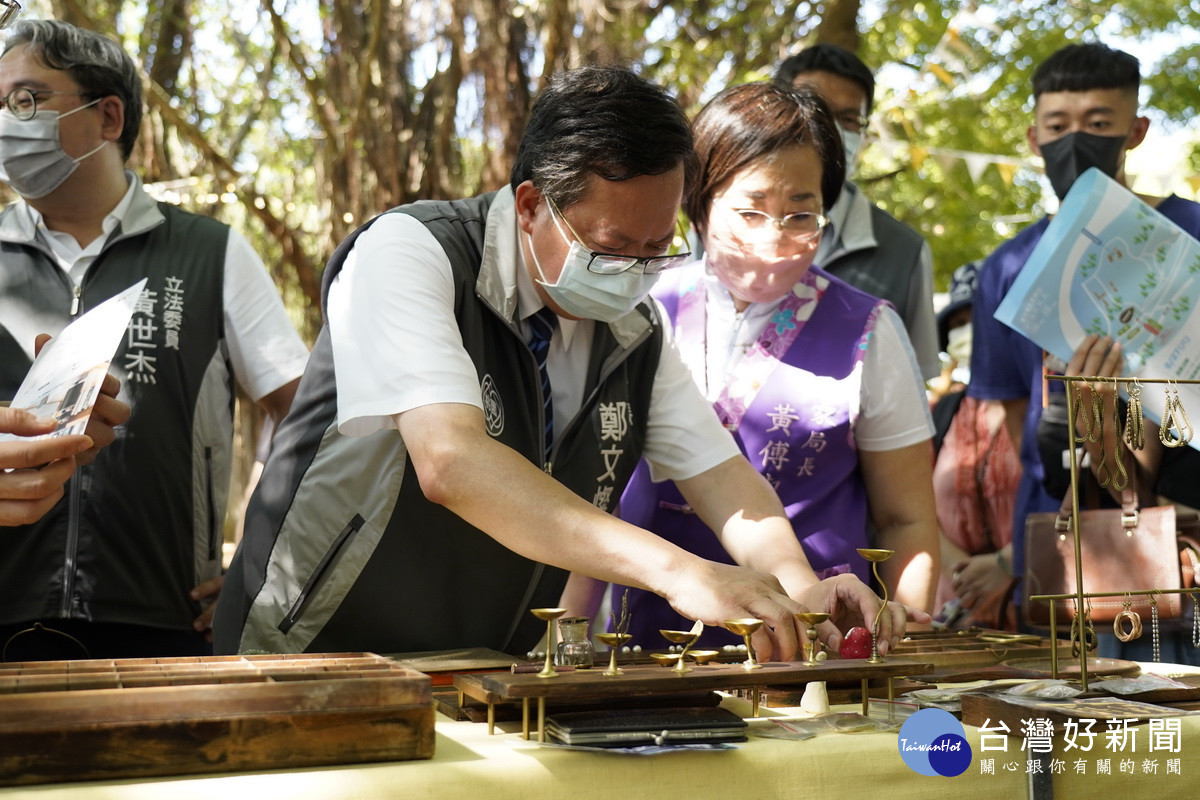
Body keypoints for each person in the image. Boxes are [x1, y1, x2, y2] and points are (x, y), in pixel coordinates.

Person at [216, 66, 926, 662]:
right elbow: (452, 461)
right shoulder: (411, 253)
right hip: (312, 648)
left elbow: (724, 480)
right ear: (531, 205)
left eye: (658, 249)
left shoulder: (631, 330)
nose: (638, 274)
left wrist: (798, 589)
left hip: (481, 665)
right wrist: (677, 570)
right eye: (616, 248)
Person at [583, 81, 937, 648]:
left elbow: (908, 519)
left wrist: (903, 635)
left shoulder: (867, 329)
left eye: (802, 214)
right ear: (699, 203)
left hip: (812, 640)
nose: (775, 237)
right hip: (647, 635)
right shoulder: (638, 310)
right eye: (750, 211)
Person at [0, 20, 308, 659]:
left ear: (107, 117)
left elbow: (305, 411)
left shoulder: (210, 251)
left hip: (167, 621)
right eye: (0, 105)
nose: (7, 122)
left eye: (26, 100)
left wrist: (262, 559)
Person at [968, 42, 1200, 629]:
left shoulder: (1190, 236)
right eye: (1058, 125)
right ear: (1033, 138)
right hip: (1064, 548)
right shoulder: (1006, 268)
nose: (1076, 140)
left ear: (1136, 130)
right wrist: (1087, 426)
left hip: (1186, 537)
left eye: (1099, 123)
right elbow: (1020, 426)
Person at [775, 44, 940, 381]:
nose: (831, 130)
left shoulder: (906, 253)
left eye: (849, 119)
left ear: (864, 133)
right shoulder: (724, 223)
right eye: (814, 110)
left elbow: (915, 380)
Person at [929, 262, 1020, 630]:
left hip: (1035, 616)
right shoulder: (944, 412)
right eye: (956, 324)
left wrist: (1007, 565)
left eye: (977, 318)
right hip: (954, 619)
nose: (966, 332)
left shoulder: (1051, 408)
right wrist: (967, 579)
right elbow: (912, 507)